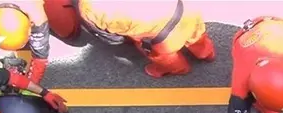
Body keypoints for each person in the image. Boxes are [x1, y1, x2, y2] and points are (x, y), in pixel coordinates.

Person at [75, 0, 216, 78]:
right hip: (186, 10)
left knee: (165, 58)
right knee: (197, 36)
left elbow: (112, 38)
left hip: (164, 38)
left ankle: (179, 69)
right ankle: (206, 53)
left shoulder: (89, 7)